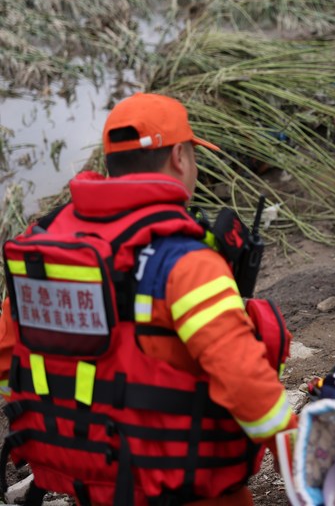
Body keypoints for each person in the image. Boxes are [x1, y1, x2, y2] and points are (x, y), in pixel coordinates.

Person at [0, 93, 297, 505]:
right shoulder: (187, 260)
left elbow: (8, 358)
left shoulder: (45, 246)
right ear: (179, 157)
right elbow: (245, 381)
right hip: (181, 484)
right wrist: (298, 453)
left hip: (87, 479)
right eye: (193, 155)